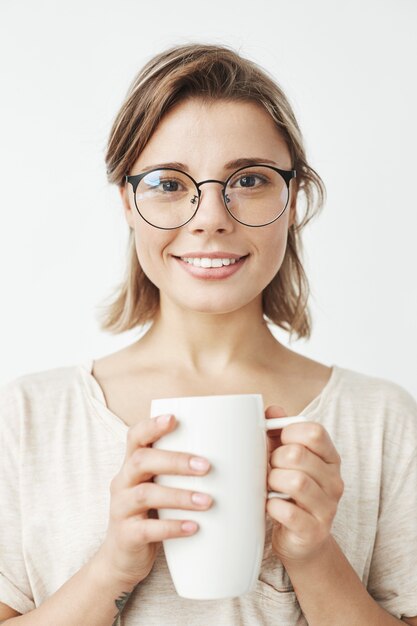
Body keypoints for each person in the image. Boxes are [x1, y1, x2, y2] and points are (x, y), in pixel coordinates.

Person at [0, 43, 416, 626]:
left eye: (248, 179)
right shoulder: (26, 419)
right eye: (170, 183)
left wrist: (315, 556)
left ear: (293, 199)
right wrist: (113, 568)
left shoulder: (384, 422)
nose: (211, 217)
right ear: (127, 202)